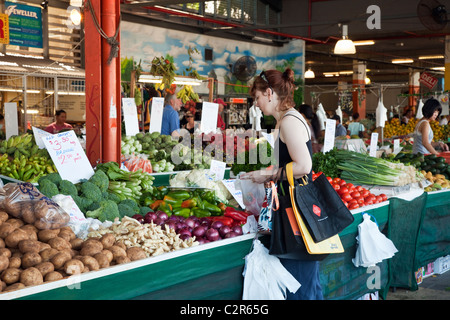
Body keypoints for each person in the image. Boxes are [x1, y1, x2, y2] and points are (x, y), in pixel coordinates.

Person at [240, 68, 323, 300]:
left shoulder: (289, 121)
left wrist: (268, 175)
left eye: (256, 97)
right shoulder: (287, 120)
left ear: (269, 93)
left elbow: (304, 166)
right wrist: (265, 173)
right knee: (304, 282)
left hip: (296, 213)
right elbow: (290, 163)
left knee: (299, 282)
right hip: (292, 208)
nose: (256, 104)